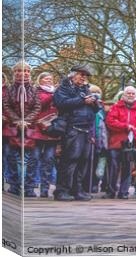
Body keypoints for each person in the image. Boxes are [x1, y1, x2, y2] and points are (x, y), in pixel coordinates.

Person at [53, 65, 99, 201]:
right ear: (72, 75)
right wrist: (82, 101)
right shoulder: (63, 88)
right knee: (69, 161)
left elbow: (96, 110)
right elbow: (60, 103)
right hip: (72, 128)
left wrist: (94, 103)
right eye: (81, 74)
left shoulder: (85, 89)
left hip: (86, 130)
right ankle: (62, 190)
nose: (84, 77)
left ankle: (77, 190)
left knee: (82, 161)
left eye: (85, 75)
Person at [3, 61, 40, 197]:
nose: (23, 73)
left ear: (29, 73)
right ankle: (14, 185)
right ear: (14, 73)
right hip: (13, 127)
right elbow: (6, 105)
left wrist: (27, 120)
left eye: (26, 71)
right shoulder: (10, 89)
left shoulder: (34, 89)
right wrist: (17, 120)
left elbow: (37, 107)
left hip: (30, 128)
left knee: (31, 159)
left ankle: (29, 187)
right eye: (19, 71)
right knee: (12, 157)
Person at [104, 86, 136, 199]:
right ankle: (111, 191)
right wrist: (125, 126)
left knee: (128, 168)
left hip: (131, 144)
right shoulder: (116, 107)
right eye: (128, 93)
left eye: (133, 93)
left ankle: (123, 192)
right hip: (116, 142)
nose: (131, 95)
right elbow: (110, 121)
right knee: (113, 167)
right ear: (124, 94)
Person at [32, 72, 61, 198]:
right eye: (46, 78)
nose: (49, 80)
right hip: (39, 129)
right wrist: (53, 95)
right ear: (40, 80)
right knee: (34, 159)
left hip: (52, 130)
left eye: (50, 78)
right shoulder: (36, 92)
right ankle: (29, 187)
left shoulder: (56, 93)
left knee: (48, 160)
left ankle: (45, 189)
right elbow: (40, 105)